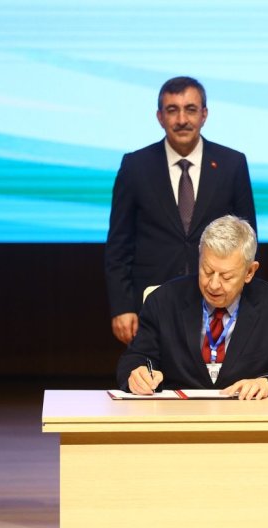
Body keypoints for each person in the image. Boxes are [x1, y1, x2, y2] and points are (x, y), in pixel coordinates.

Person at [105, 76, 256, 345]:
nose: (182, 119)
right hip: (152, 302)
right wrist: (122, 306)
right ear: (160, 117)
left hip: (218, 300)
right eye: (172, 110)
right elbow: (119, 243)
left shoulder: (232, 163)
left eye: (190, 109)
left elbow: (248, 239)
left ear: (204, 114)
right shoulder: (135, 165)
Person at [117, 216, 268, 399]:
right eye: (207, 271)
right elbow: (135, 359)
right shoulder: (163, 301)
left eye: (226, 276)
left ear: (249, 272)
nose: (213, 285)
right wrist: (139, 374)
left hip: (247, 417)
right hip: (178, 418)